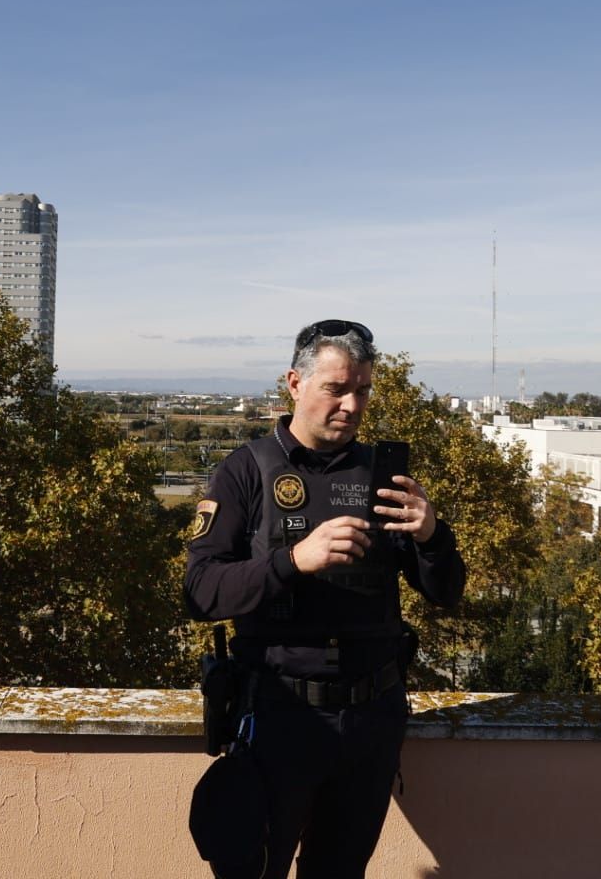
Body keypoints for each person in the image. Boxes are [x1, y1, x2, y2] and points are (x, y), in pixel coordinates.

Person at [185, 320, 466, 878]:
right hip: (279, 718)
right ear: (294, 383)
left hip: (371, 723)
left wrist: (432, 534)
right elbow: (200, 592)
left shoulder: (383, 477)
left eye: (362, 390)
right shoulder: (247, 470)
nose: (351, 404)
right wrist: (294, 560)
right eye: (336, 389)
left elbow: (446, 592)